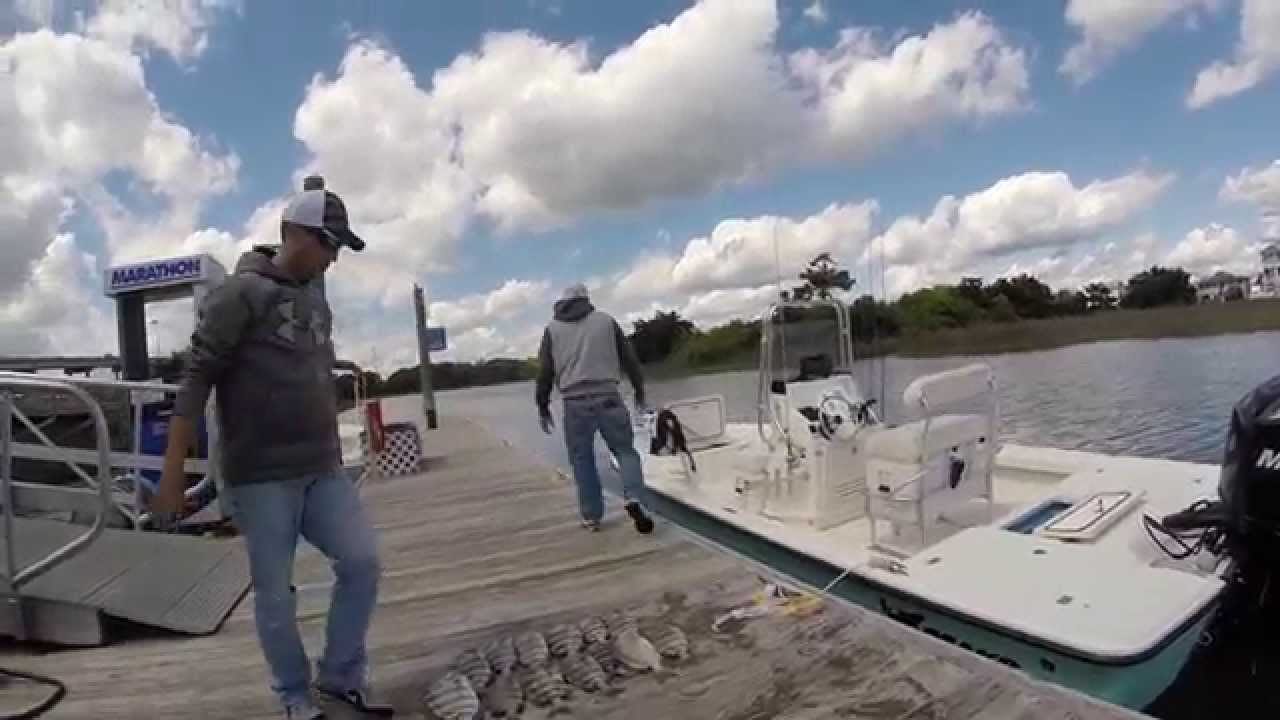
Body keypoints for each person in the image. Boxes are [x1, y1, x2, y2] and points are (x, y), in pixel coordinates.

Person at [152, 177, 392, 720]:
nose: (333, 257)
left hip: (322, 469)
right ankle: (293, 697)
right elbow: (195, 380)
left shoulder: (315, 296)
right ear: (292, 233)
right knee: (276, 595)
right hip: (261, 477)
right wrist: (172, 477)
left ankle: (340, 680)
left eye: (338, 246)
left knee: (362, 562)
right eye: (327, 242)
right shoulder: (239, 294)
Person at [536, 283, 655, 534]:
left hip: (574, 402)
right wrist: (640, 390)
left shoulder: (552, 329)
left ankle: (592, 517)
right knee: (625, 452)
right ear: (586, 300)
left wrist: (542, 405)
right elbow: (629, 359)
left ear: (561, 302)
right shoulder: (606, 321)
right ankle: (635, 498)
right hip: (608, 396)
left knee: (582, 460)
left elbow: (545, 371)